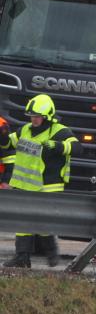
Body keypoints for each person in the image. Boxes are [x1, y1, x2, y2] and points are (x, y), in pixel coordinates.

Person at [2, 94, 76, 268]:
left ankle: (51, 253)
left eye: (36, 117)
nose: (33, 120)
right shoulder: (25, 130)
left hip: (49, 185)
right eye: (31, 117)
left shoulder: (60, 131)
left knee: (42, 222)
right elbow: (7, 145)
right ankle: (22, 258)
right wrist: (3, 136)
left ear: (47, 116)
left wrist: (59, 146)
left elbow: (77, 146)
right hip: (25, 184)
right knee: (22, 222)